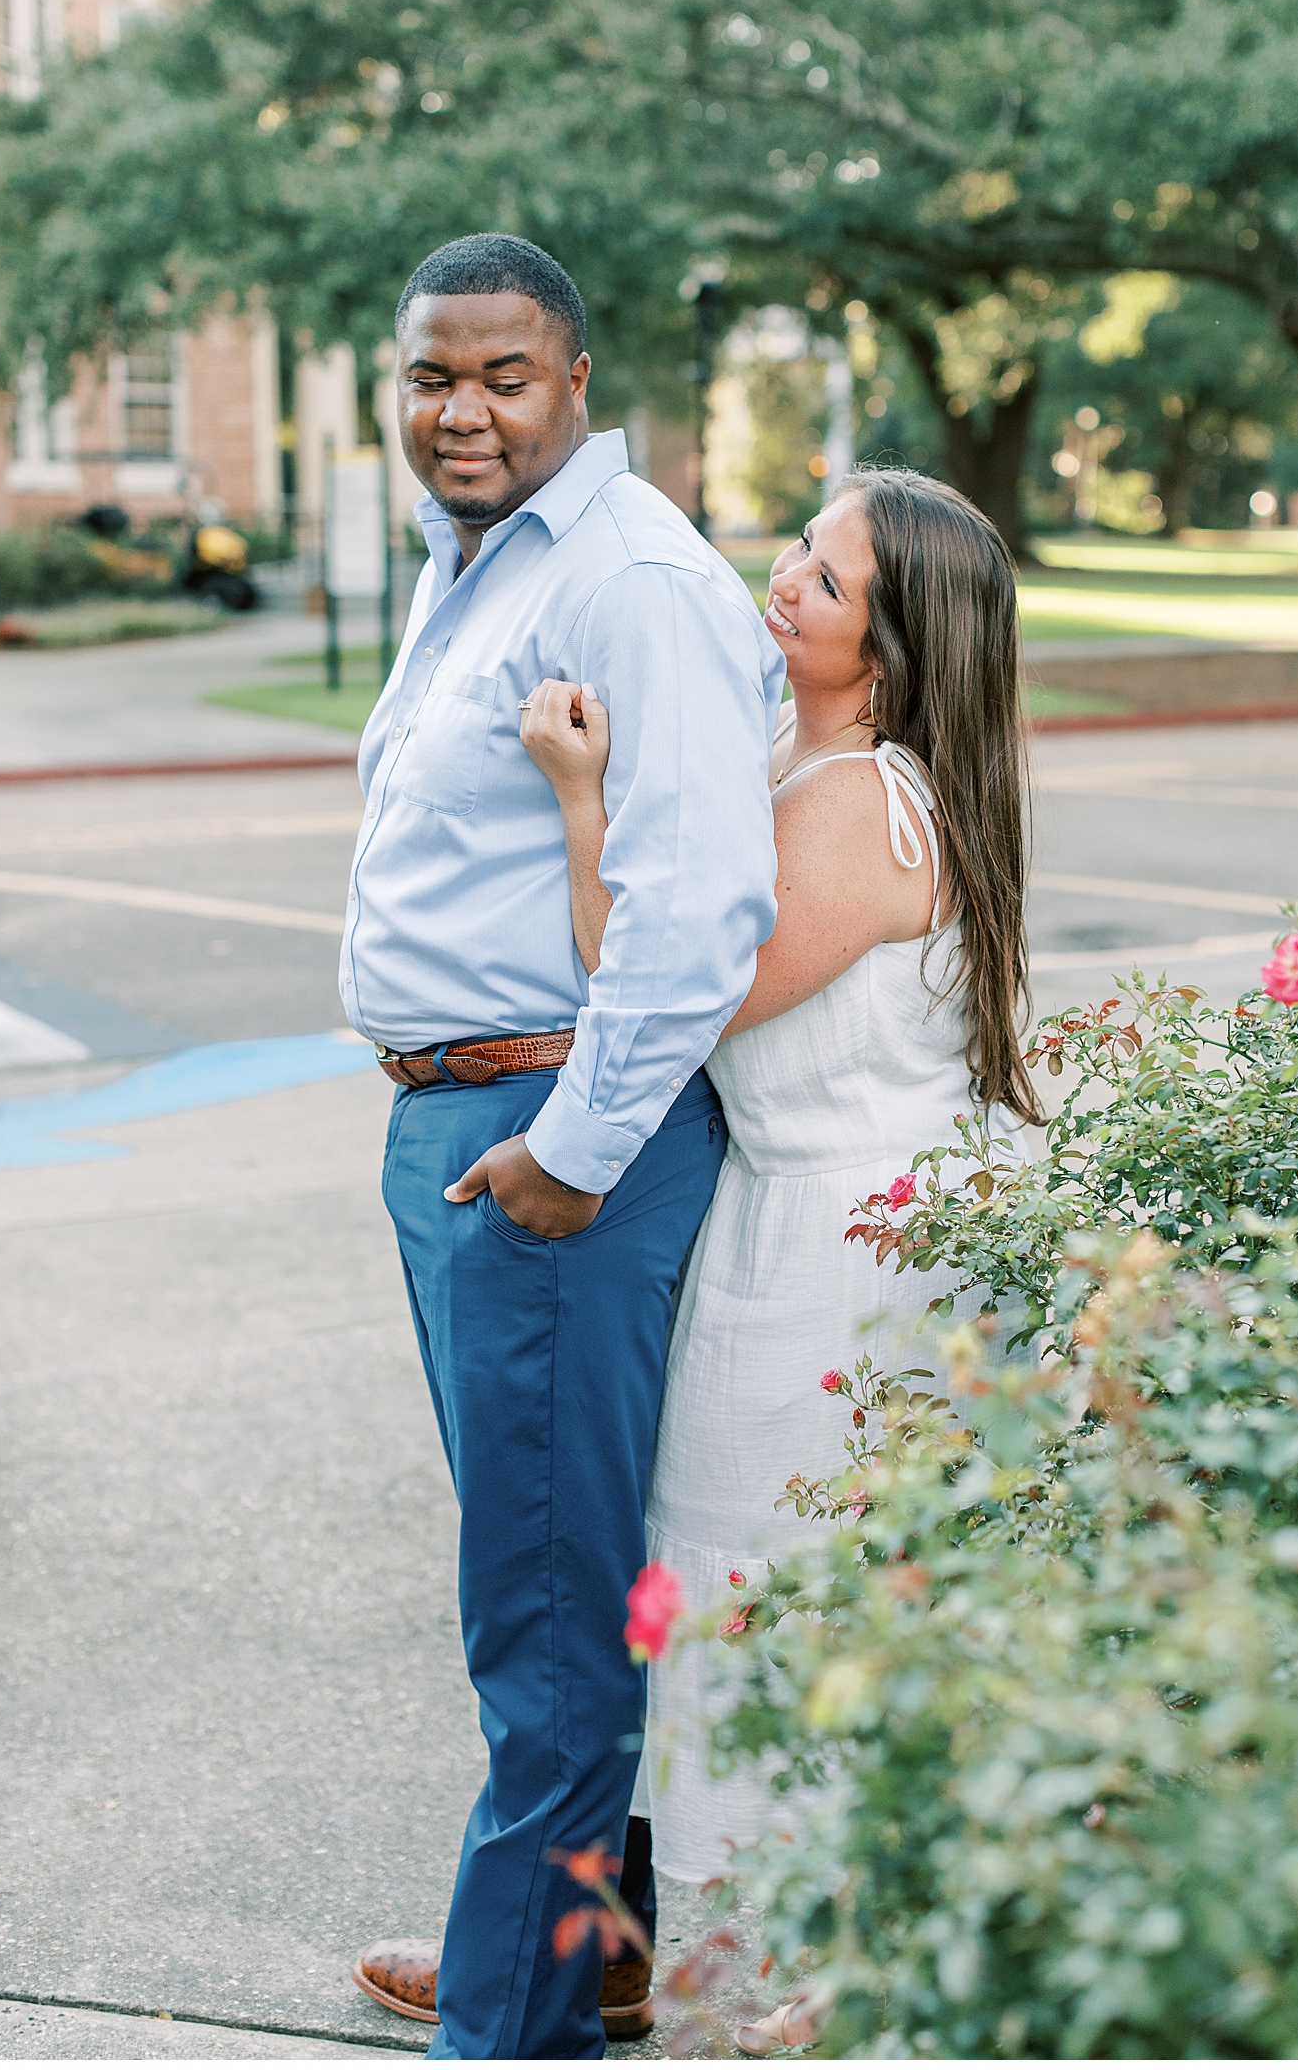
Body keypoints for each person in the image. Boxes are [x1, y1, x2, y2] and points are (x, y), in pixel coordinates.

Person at [519, 470, 1043, 2055]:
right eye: (799, 548)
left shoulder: (854, 803)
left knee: (766, 1604)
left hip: (841, 1256)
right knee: (763, 1597)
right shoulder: (804, 763)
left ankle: (772, 1988)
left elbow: (661, 985)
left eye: (825, 573)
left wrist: (577, 798)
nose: (785, 576)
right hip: (816, 1220)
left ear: (892, 637)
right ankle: (713, 1954)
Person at [342, 233, 784, 2061]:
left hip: (544, 1145)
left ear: (580, 381)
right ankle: (581, 1939)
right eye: (432, 376)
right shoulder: (482, 563)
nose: (462, 411)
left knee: (546, 1619)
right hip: (467, 1124)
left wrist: (572, 1155)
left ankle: (511, 2024)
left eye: (503, 377)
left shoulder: (631, 580)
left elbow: (699, 912)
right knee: (548, 1575)